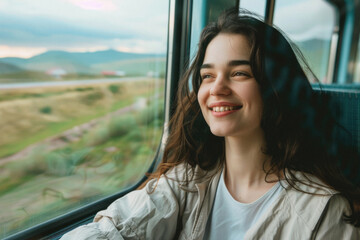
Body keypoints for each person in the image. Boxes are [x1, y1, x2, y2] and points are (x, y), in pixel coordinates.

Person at [61, 8, 360, 239]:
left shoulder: (323, 211)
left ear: (274, 88)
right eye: (207, 76)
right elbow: (109, 231)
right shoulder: (186, 182)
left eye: (239, 73)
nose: (216, 88)